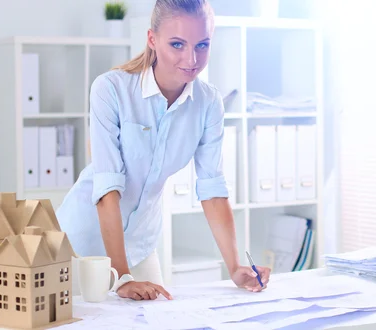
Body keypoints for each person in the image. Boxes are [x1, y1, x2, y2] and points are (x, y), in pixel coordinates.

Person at [56, 0, 271, 301]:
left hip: (141, 245)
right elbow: (107, 189)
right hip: (81, 248)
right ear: (152, 40)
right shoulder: (111, 89)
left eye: (202, 45)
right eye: (178, 44)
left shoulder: (209, 104)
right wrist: (122, 277)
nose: (191, 58)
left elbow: (212, 190)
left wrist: (234, 267)